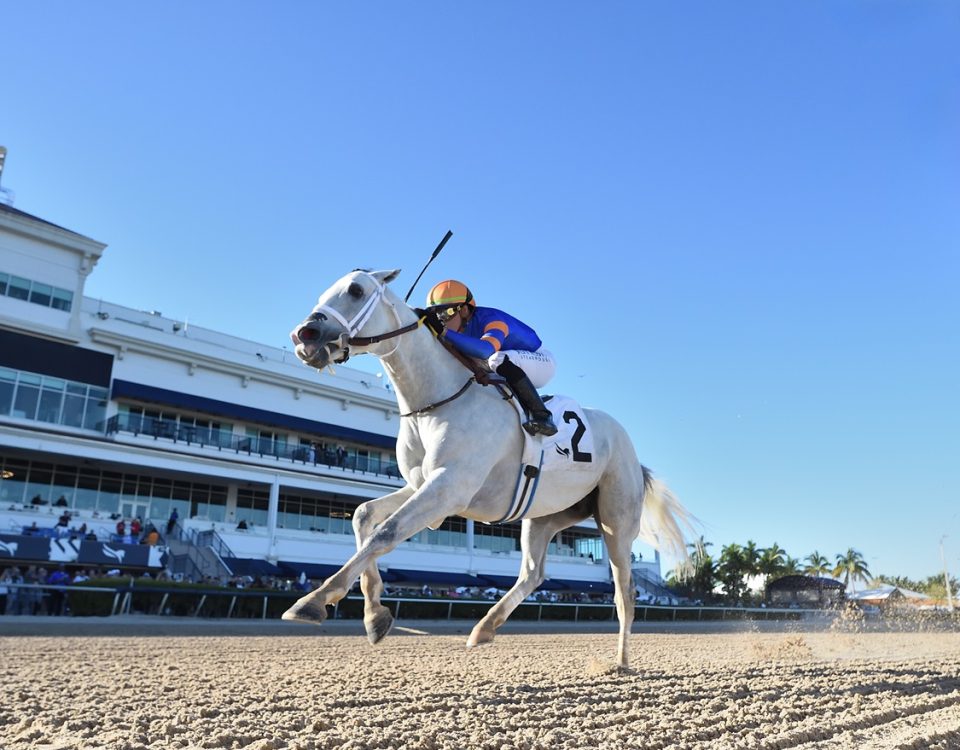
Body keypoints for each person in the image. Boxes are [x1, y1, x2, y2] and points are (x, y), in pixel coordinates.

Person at [423, 280, 557, 436]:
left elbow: (485, 350)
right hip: (508, 365)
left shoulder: (492, 319)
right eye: (435, 314)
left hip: (541, 363)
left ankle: (543, 416)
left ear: (464, 310)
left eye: (446, 313)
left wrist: (444, 332)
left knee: (496, 358)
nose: (441, 320)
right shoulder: (458, 328)